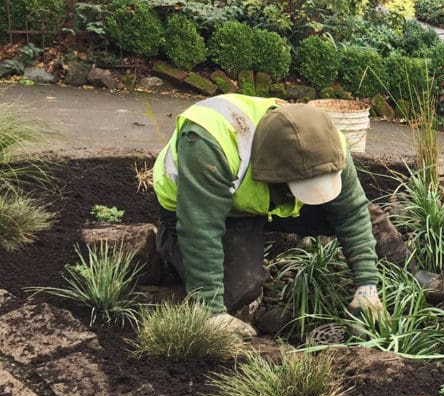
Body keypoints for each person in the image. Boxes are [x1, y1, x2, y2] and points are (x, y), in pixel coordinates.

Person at [153, 95, 385, 336]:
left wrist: (367, 285)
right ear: (276, 174)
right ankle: (167, 243)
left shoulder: (326, 143)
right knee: (238, 289)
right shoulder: (209, 143)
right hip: (198, 209)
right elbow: (202, 228)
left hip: (263, 200)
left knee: (368, 218)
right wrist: (211, 312)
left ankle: (408, 273)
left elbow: (352, 213)